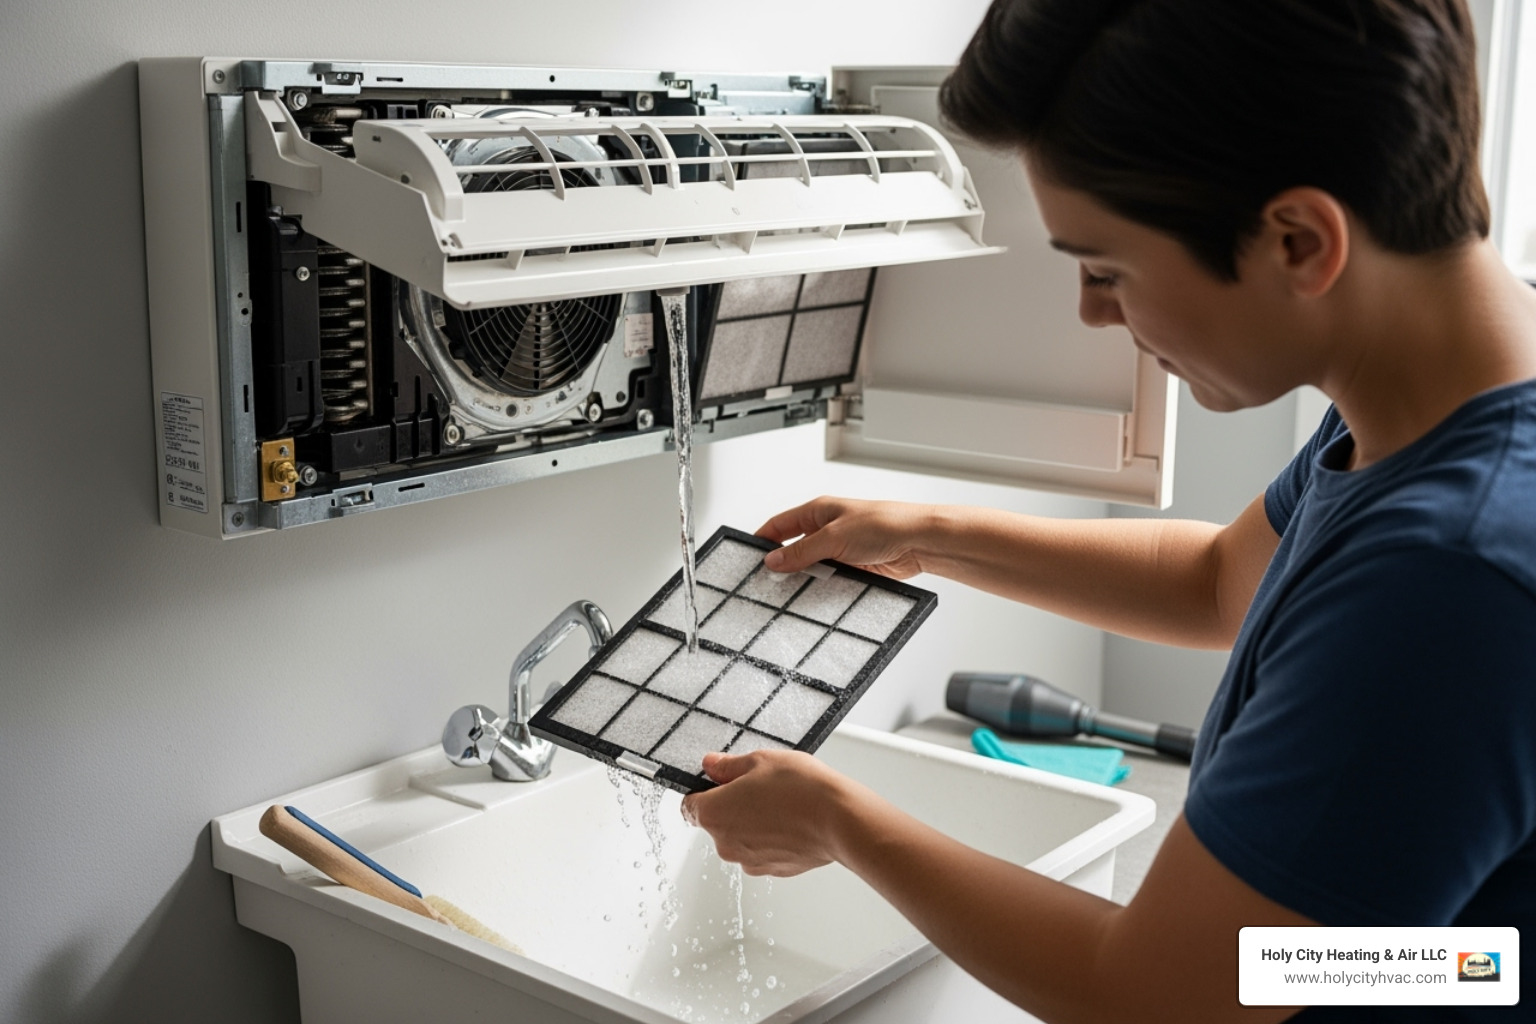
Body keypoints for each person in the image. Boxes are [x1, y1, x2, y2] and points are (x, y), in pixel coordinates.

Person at [679, 1, 1536, 1021]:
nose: (1092, 312)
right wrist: (932, 536)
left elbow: (1160, 998)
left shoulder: (1452, 574)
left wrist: (840, 822)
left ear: (1299, 241)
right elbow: (1219, 581)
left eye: (1105, 269)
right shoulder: (1429, 397)